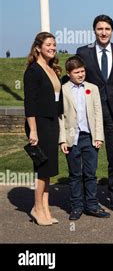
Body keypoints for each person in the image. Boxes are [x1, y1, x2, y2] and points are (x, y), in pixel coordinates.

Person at [76, 15, 113, 214]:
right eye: (100, 29)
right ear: (94, 31)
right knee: (89, 161)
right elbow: (77, 79)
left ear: (112, 31)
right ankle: (87, 200)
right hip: (90, 115)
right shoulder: (83, 52)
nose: (103, 32)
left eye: (107, 28)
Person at [59, 56, 110, 220]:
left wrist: (99, 136)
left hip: (89, 137)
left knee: (90, 173)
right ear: (69, 73)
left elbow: (98, 113)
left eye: (82, 71)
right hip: (71, 138)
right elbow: (60, 116)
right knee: (75, 175)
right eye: (76, 72)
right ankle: (76, 207)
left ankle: (92, 205)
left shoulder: (92, 88)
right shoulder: (63, 89)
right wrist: (62, 140)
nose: (81, 74)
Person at [24, 32, 63, 226]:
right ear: (38, 47)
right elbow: (29, 104)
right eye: (48, 44)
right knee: (42, 168)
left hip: (51, 123)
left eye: (54, 44)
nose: (52, 47)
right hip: (39, 124)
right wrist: (33, 130)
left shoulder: (51, 68)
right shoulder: (33, 71)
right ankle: (37, 208)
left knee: (48, 169)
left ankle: (45, 208)